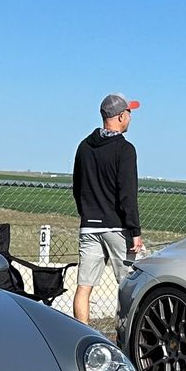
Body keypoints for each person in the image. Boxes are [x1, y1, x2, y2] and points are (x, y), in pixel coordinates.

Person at [71, 93, 145, 324]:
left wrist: (87, 215)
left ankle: (80, 334)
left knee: (84, 287)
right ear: (120, 116)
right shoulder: (125, 149)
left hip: (89, 227)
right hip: (117, 228)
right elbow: (127, 195)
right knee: (131, 285)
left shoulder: (84, 147)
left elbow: (77, 188)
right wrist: (135, 231)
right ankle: (128, 336)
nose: (131, 117)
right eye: (129, 113)